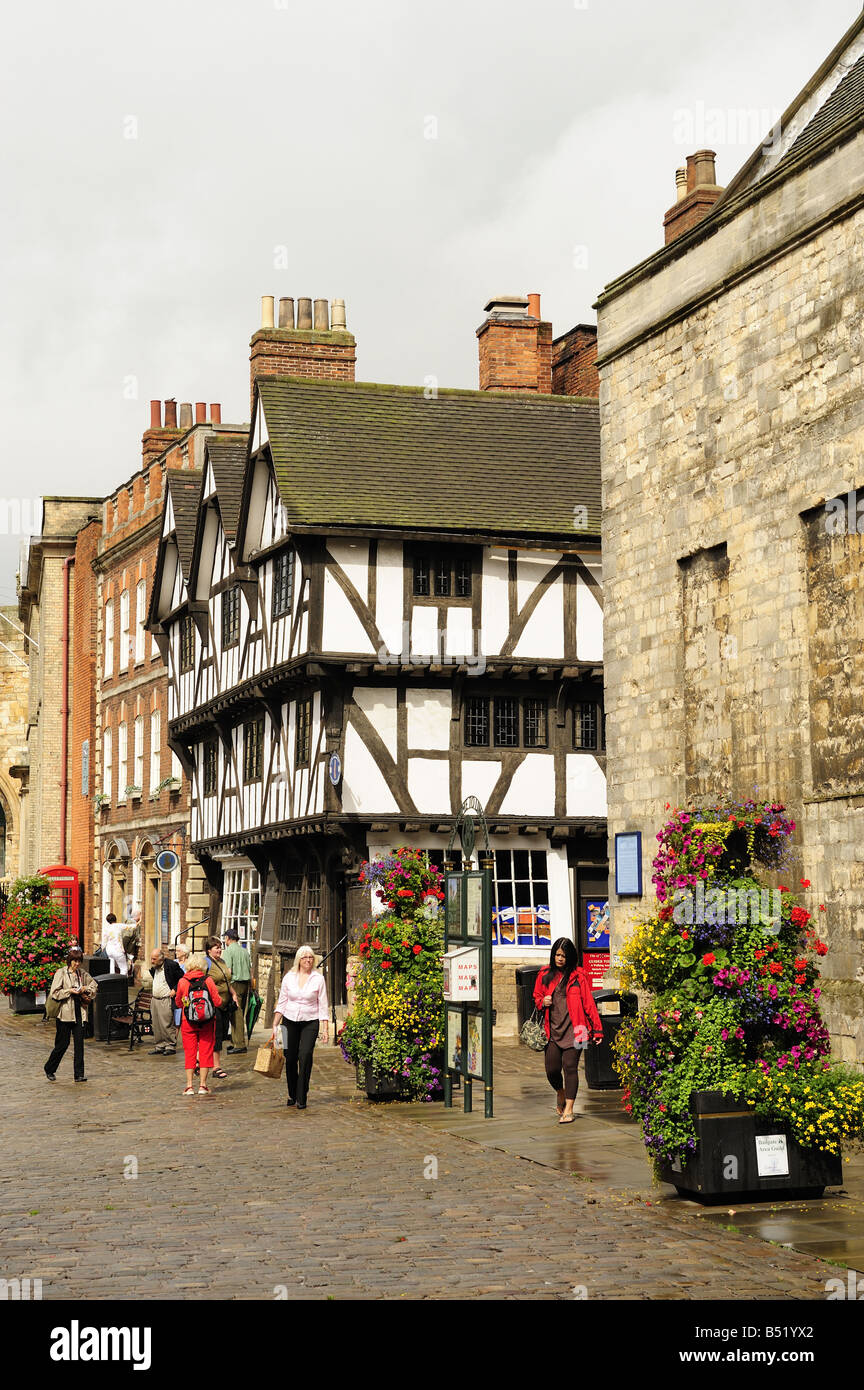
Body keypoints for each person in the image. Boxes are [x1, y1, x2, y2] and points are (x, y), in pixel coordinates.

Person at [533, 937, 603, 1124]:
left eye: (564, 955)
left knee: (570, 1067)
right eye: (557, 954)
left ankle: (569, 1110)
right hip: (553, 1030)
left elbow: (588, 1003)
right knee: (552, 1069)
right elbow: (537, 997)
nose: (560, 958)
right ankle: (560, 1092)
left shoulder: (579, 976)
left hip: (577, 1030)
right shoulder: (544, 974)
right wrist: (542, 1001)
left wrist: (597, 1029)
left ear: (570, 957)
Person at [271, 945, 329, 1110]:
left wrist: (325, 1029)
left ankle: (302, 1096)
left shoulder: (318, 979)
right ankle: (292, 1093)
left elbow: (323, 1005)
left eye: (310, 957)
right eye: (305, 958)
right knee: (290, 1058)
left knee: (305, 1056)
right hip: (289, 1021)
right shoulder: (289, 977)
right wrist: (275, 1024)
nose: (308, 960)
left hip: (310, 1021)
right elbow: (282, 1001)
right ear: (299, 960)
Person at [44, 946, 98, 1083]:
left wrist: (85, 989)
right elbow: (55, 993)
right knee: (62, 1044)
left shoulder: (82, 973)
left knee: (79, 1045)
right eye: (74, 961)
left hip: (80, 1012)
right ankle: (49, 1068)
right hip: (65, 1013)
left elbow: (94, 985)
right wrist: (69, 991)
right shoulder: (61, 973)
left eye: (79, 961)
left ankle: (79, 1075)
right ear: (69, 961)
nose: (77, 964)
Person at [174, 952, 222, 1097]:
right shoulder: (208, 980)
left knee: (190, 1052)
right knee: (206, 1051)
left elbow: (178, 1002)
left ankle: (189, 1086)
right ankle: (203, 1085)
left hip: (188, 1022)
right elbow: (218, 1001)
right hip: (207, 1022)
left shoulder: (183, 982)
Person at [204, 937, 239, 1080]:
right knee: (216, 1035)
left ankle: (200, 1060)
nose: (219, 949)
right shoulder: (206, 963)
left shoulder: (222, 962)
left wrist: (233, 993)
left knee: (222, 1034)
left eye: (220, 947)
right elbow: (200, 980)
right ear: (208, 950)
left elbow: (226, 981)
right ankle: (216, 1067)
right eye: (215, 947)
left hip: (225, 1004)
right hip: (213, 1004)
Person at [147, 948, 183, 1055]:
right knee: (156, 1024)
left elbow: (182, 978)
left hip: (166, 999)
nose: (152, 961)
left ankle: (170, 1045)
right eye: (151, 959)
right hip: (155, 999)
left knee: (166, 1023)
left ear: (161, 958)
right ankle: (160, 1045)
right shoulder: (155, 967)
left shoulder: (171, 965)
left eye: (154, 959)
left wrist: (175, 989)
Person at [222, 927, 251, 1054]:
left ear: (228, 938)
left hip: (235, 984)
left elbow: (228, 971)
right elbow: (250, 969)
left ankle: (239, 1044)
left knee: (236, 1014)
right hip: (246, 984)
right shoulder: (245, 951)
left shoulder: (228, 951)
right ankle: (234, 1041)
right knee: (240, 1012)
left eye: (225, 938)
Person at [122, 908, 141, 978]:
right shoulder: (131, 923)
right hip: (128, 950)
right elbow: (126, 937)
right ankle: (126, 980)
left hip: (128, 949)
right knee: (126, 967)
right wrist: (124, 949)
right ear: (138, 915)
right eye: (140, 914)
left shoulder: (132, 923)